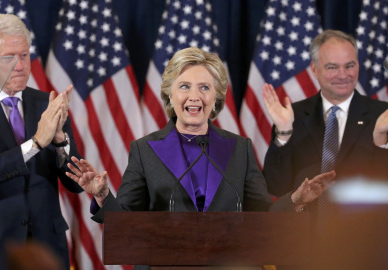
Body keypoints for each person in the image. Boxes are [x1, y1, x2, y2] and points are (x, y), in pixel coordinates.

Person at [66, 47, 335, 220]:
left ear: (216, 97)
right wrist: (101, 195)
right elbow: (124, 221)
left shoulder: (239, 147)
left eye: (204, 88)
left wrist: (295, 200)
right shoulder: (145, 150)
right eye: (184, 86)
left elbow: (260, 214)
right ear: (170, 95)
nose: (194, 97)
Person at [0, 14, 83, 270]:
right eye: (8, 57)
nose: (20, 66)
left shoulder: (48, 104)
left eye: (24, 55)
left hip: (45, 248)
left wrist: (60, 141)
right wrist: (36, 144)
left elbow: (75, 185)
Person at [262, 29, 388, 198]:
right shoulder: (292, 116)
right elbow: (275, 186)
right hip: (305, 222)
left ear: (358, 66)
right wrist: (283, 133)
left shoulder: (383, 115)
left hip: (363, 222)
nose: (343, 75)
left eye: (349, 66)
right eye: (332, 67)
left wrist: (381, 139)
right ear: (314, 69)